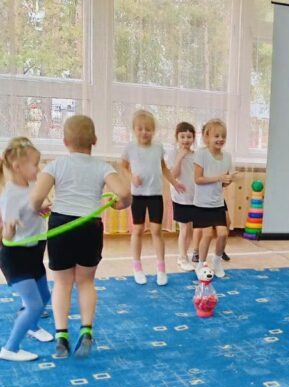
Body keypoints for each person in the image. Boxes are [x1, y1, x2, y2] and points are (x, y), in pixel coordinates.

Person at [30, 115, 130, 359]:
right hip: (89, 226)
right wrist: (119, 205)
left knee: (62, 283)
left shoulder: (55, 165)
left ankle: (61, 336)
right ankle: (86, 331)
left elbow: (35, 198)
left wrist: (39, 207)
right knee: (85, 282)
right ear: (94, 140)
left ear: (65, 141)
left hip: (61, 225)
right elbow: (125, 193)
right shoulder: (102, 167)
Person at [0, 138, 53, 361]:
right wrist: (11, 226)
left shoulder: (31, 186)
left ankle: (31, 326)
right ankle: (10, 349)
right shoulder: (10, 196)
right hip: (15, 255)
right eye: (35, 164)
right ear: (18, 167)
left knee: (45, 296)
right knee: (33, 305)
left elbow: (33, 206)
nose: (38, 169)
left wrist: (41, 209)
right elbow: (7, 237)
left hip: (33, 251)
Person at [122, 109, 184, 286]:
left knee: (157, 231)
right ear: (134, 129)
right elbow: (123, 166)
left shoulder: (158, 148)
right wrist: (131, 177)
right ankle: (137, 267)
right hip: (138, 196)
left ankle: (161, 269)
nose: (144, 132)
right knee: (138, 230)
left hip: (155, 195)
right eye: (140, 129)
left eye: (148, 129)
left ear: (153, 130)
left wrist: (174, 182)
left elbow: (164, 168)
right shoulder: (130, 148)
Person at [193, 118, 233, 278]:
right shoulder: (201, 154)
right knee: (208, 234)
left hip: (217, 203)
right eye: (216, 136)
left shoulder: (227, 157)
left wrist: (228, 180)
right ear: (207, 137)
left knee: (223, 233)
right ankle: (200, 264)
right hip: (202, 204)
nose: (220, 139)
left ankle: (216, 262)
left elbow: (223, 183)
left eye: (223, 136)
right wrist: (218, 178)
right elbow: (198, 179)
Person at [168, 121, 197, 272]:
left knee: (190, 229)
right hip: (180, 197)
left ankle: (184, 255)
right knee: (184, 228)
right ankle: (182, 257)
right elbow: (173, 175)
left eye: (189, 137)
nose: (186, 140)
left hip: (194, 197)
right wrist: (180, 157)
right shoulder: (172, 154)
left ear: (193, 138)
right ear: (177, 137)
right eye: (183, 136)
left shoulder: (196, 155)